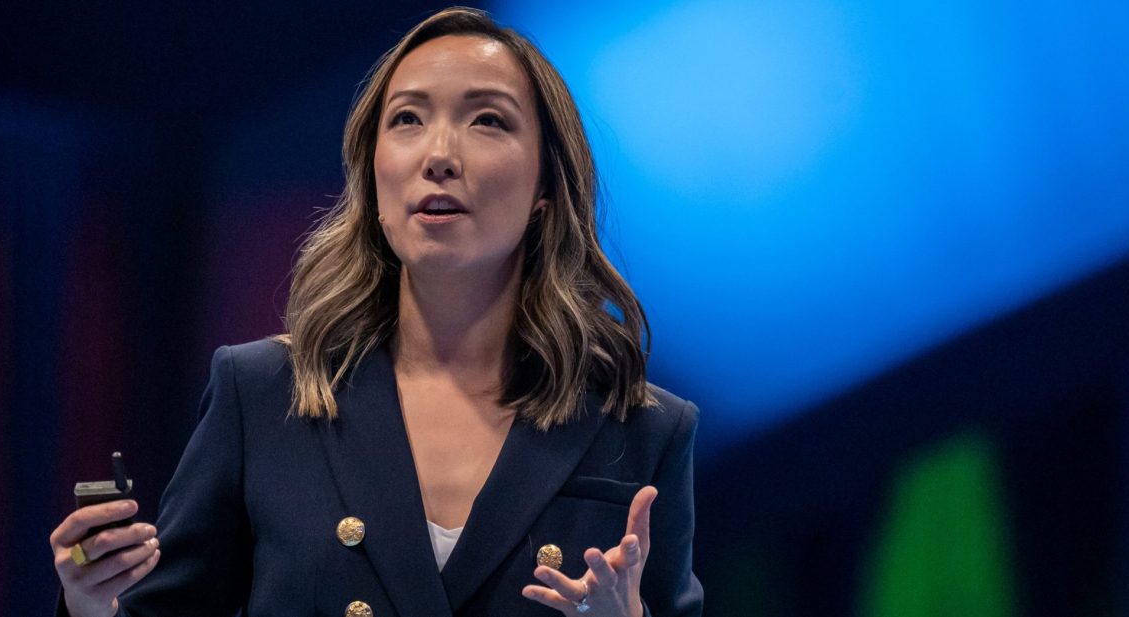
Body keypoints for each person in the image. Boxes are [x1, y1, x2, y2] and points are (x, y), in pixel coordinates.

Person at [49, 7, 702, 617]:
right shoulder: (262, 394)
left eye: (487, 120)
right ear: (372, 173)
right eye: (408, 119)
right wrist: (89, 601)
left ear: (546, 187)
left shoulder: (643, 427)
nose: (438, 155)